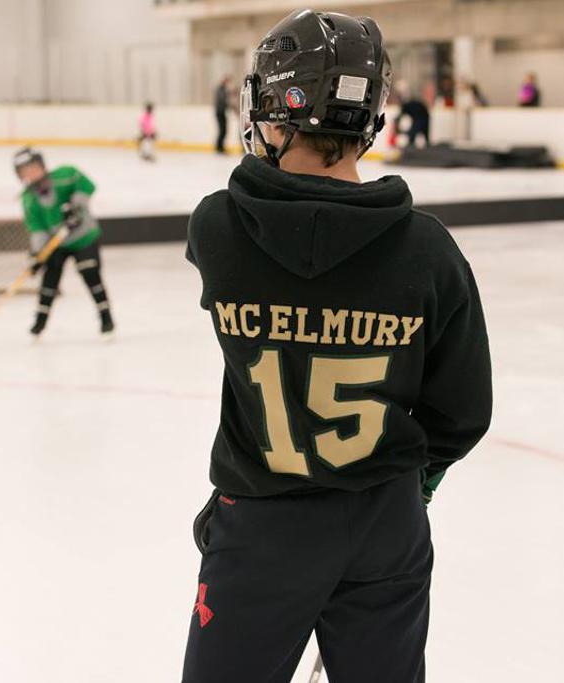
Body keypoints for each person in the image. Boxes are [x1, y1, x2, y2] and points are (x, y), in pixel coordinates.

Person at [182, 10, 492, 683]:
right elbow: (464, 411)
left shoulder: (218, 228)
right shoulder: (429, 250)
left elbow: (261, 202)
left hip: (261, 526)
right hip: (385, 520)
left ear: (283, 103)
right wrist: (417, 484)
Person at [13, 147, 114, 336]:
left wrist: (76, 206)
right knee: (49, 281)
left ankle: (106, 317)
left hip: (84, 237)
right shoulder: (29, 199)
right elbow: (38, 230)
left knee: (90, 272)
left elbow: (87, 185)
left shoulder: (65, 175)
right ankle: (40, 323)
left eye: (33, 167)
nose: (31, 172)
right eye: (25, 170)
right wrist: (37, 255)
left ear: (42, 165)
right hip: (57, 243)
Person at [214, 76, 231, 154]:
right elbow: (222, 100)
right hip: (220, 112)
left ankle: (220, 147)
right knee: (222, 130)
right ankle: (219, 147)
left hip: (222, 112)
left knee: (223, 130)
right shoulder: (220, 89)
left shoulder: (223, 89)